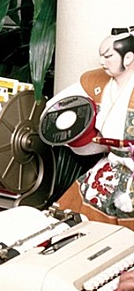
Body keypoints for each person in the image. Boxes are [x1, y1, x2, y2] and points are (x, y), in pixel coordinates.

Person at [52, 27, 134, 224]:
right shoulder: (97, 81)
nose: (101, 62)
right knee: (79, 209)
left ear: (128, 58)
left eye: (108, 56)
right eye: (101, 56)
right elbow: (57, 107)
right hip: (112, 162)